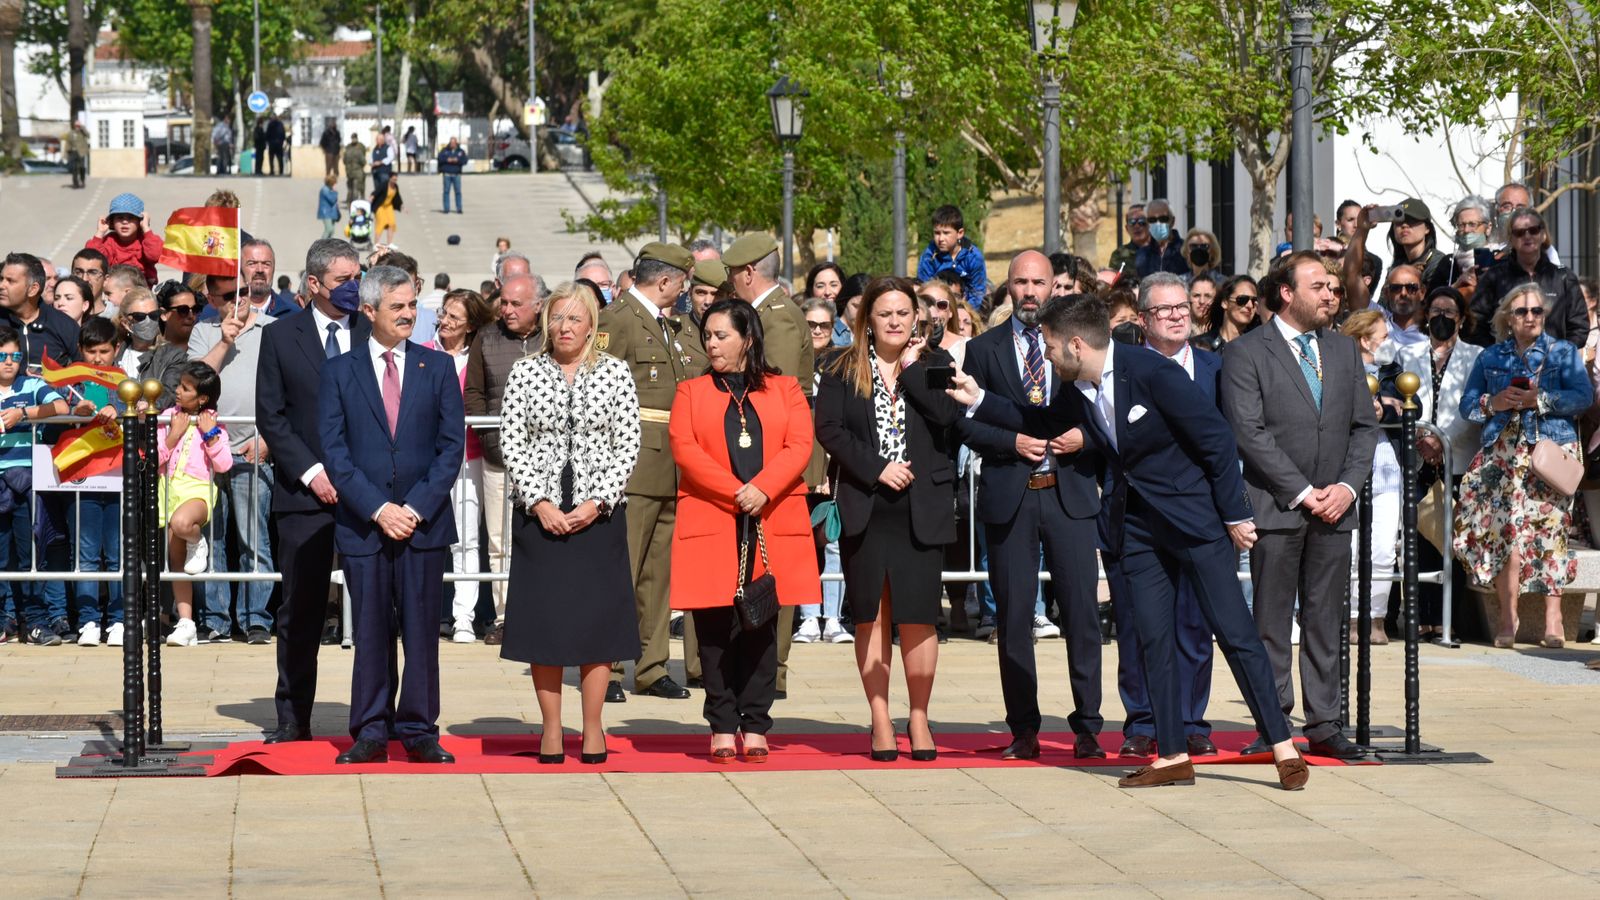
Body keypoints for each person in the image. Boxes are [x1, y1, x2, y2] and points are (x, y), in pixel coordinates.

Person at [949, 295, 1310, 790]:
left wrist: (1234, 514)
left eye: (1051, 346)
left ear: (1077, 344)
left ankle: (1282, 745)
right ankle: (1172, 755)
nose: (1046, 355)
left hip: (1194, 520)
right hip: (1136, 527)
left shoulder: (1154, 372)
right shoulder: (1077, 386)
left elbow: (1217, 441)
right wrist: (977, 398)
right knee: (1151, 641)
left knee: (1234, 632)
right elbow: (1041, 423)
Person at [1220, 251, 1379, 761]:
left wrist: (1347, 488)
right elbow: (1249, 433)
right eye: (1319, 286)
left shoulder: (1342, 350)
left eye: (1333, 288)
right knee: (1270, 621)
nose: (1331, 295)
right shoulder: (1247, 353)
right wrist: (1304, 491)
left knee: (1325, 618)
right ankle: (1274, 724)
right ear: (1287, 293)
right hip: (1278, 507)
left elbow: (1363, 428)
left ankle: (1326, 724)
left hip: (1336, 508)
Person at [955, 251, 1105, 761]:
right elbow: (967, 422)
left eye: (1039, 282)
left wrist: (1084, 438)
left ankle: (1087, 726)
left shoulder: (1078, 342)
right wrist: (1009, 442)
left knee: (1082, 615)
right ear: (1008, 288)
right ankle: (1024, 729)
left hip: (1070, 495)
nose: (1030, 291)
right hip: (1011, 496)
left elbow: (1102, 411)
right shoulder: (982, 349)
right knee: (1015, 618)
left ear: (1055, 287)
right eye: (1020, 282)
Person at [318, 265, 464, 765]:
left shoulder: (437, 366)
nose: (407, 315)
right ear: (370, 309)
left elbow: (451, 448)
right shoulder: (340, 371)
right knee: (372, 632)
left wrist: (415, 509)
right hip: (365, 523)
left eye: (411, 306)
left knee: (423, 630)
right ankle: (372, 730)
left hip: (424, 525)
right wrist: (379, 509)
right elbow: (335, 453)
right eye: (397, 306)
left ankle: (420, 728)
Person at [815, 277, 962, 761]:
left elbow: (946, 417)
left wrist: (916, 370)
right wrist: (878, 468)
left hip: (923, 505)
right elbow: (829, 429)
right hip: (868, 502)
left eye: (903, 312)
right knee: (869, 617)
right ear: (868, 321)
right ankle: (880, 717)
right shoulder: (840, 365)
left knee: (919, 617)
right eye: (885, 314)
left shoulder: (936, 364)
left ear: (916, 317)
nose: (895, 321)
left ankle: (918, 716)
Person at [668, 299, 820, 762]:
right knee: (713, 629)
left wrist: (764, 489)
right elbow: (684, 447)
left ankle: (755, 724)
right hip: (715, 516)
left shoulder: (785, 388)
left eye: (721, 336)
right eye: (708, 336)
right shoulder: (691, 392)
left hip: (769, 518)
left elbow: (799, 444)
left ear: (747, 338)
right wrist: (737, 491)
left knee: (762, 625)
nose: (711, 344)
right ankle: (721, 722)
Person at [498, 282, 641, 763]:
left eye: (575, 319)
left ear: (591, 326)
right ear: (545, 323)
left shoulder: (616, 373)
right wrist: (538, 502)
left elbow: (629, 443)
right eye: (557, 318)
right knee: (547, 626)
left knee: (596, 627)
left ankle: (594, 728)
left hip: (597, 517)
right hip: (540, 517)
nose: (565, 328)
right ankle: (552, 729)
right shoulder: (524, 372)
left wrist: (599, 502)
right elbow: (512, 441)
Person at [255, 239, 366, 742]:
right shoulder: (281, 337)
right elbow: (272, 417)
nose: (354, 286)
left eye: (357, 275)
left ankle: (374, 717)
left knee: (375, 609)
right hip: (304, 495)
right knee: (300, 608)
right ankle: (293, 715)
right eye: (343, 278)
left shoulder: (373, 330)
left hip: (368, 497)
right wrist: (311, 472)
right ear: (315, 283)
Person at [1108, 272, 1219, 757]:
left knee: (1196, 626)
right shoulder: (1122, 370)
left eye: (1182, 308)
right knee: (1138, 627)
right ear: (1142, 319)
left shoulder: (1217, 368)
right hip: (1136, 518)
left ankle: (1192, 721)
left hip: (1199, 518)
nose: (1177, 316)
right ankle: (1143, 723)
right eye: (1164, 310)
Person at [595, 243, 705, 702]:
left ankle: (651, 665)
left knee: (659, 573)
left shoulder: (677, 326)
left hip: (674, 461)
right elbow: (597, 391)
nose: (684, 292)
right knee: (622, 567)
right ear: (664, 281)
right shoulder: (616, 320)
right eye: (682, 283)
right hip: (634, 461)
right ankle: (607, 662)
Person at [1456, 284, 1593, 648]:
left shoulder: (1563, 352)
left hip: (1548, 451)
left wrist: (1541, 399)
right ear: (1507, 318)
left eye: (1537, 312)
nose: (1530, 317)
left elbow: (1583, 397)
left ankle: (1553, 620)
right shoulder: (1490, 357)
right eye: (1522, 312)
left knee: (1551, 533)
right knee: (1505, 536)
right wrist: (1493, 402)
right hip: (1502, 454)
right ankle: (1507, 617)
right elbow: (1467, 404)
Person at [721, 233, 819, 695]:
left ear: (747, 273)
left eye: (731, 276)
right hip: (765, 456)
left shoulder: (775, 318)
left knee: (774, 562)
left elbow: (769, 388)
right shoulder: (771, 311)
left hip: (775, 457)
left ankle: (773, 669)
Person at [190, 274, 276, 644]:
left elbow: (288, 390)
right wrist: (225, 340)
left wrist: (269, 439)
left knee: (253, 538)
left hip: (251, 449)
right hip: (207, 450)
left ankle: (256, 617)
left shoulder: (274, 330)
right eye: (227, 295)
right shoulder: (203, 330)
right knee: (211, 538)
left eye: (242, 292)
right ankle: (216, 619)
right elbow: (194, 383)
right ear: (210, 296)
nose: (238, 300)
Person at [465, 274, 543, 642]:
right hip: (499, 458)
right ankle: (503, 618)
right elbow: (475, 393)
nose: (507, 310)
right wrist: (490, 437)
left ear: (538, 305)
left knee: (544, 539)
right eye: (505, 303)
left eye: (517, 304)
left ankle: (542, 614)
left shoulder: (552, 336)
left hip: (547, 461)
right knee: (500, 541)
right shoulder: (487, 337)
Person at [423, 289, 496, 642]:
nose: (446, 321)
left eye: (455, 317)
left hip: (469, 458)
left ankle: (463, 616)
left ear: (470, 326)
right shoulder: (422, 351)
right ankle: (425, 612)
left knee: (466, 538)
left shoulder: (479, 358)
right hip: (429, 460)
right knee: (426, 535)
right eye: (444, 313)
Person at [0, 325, 70, 645]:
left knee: (30, 554)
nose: (9, 362)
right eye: (2, 356)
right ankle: (5, 620)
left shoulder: (31, 384)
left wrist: (23, 414)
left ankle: (36, 621)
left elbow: (61, 408)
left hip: (27, 481)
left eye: (15, 356)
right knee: (1, 556)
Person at [1338, 310, 1404, 645]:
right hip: (1347, 466)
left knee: (1382, 547)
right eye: (1384, 335)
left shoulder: (1394, 371)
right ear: (1365, 339)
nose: (1390, 342)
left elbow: (1412, 405)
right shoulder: (1339, 369)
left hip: (1386, 468)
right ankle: (1350, 618)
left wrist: (1386, 408)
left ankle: (1376, 617)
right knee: (1350, 546)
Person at [160, 362, 232, 646]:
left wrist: (210, 434)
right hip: (170, 490)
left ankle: (197, 539)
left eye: (185, 388)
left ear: (202, 398)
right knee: (176, 560)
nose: (177, 391)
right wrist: (173, 434)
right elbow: (155, 458)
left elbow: (224, 464)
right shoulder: (169, 417)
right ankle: (186, 622)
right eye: (179, 385)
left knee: (182, 524)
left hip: (198, 490)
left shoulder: (213, 422)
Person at [65, 318, 127, 646]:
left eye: (105, 351)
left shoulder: (124, 380)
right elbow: (58, 412)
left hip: (117, 476)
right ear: (81, 350)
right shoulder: (70, 382)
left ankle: (119, 619)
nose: (98, 358)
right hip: (83, 477)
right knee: (86, 552)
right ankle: (88, 620)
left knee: (118, 552)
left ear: (116, 349)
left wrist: (119, 408)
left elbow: (140, 406)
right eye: (92, 351)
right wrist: (76, 409)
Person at [1468, 207, 1587, 350]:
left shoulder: (1563, 277)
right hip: (1506, 366)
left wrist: (1559, 355)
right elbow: (1474, 324)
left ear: (1543, 234)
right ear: (1511, 238)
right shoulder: (1494, 277)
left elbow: (1579, 327)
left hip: (1555, 366)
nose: (1527, 236)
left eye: (1533, 230)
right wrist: (1496, 354)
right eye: (1519, 232)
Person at [916, 205, 988, 311]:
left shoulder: (973, 257)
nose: (940, 239)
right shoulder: (929, 257)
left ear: (960, 233)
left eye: (946, 233)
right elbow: (923, 290)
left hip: (966, 308)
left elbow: (977, 292)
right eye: (937, 233)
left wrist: (962, 312)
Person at [84, 193, 162, 286]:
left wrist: (146, 228)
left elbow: (155, 256)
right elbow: (92, 259)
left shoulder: (146, 240)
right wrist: (100, 232)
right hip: (114, 291)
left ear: (140, 221)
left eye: (131, 218)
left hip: (141, 292)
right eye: (120, 218)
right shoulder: (110, 240)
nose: (125, 222)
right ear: (112, 222)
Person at [1193, 275, 1259, 353]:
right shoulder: (1199, 346)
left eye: (1254, 301)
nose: (1250, 305)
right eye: (1242, 299)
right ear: (1225, 302)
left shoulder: (1258, 347)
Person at [689, 259, 726, 325]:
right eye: (701, 293)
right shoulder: (673, 332)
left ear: (729, 297)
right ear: (690, 293)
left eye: (716, 294)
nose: (708, 302)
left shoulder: (741, 329)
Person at [437, 137, 468, 214]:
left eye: (454, 143)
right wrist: (447, 160)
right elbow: (440, 158)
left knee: (458, 192)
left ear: (456, 143)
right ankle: (446, 208)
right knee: (446, 192)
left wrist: (457, 160)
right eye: (451, 143)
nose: (452, 144)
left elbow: (464, 160)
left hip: (456, 174)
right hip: (447, 174)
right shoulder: (445, 151)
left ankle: (459, 208)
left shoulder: (460, 151)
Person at [374, 176, 402, 246]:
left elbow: (398, 196)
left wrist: (402, 206)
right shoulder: (384, 185)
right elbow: (376, 192)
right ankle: (376, 244)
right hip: (380, 206)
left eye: (396, 179)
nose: (395, 181)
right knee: (381, 224)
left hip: (389, 206)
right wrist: (371, 197)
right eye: (393, 179)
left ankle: (390, 243)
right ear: (390, 178)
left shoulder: (395, 186)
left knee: (392, 223)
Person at [343, 133, 368, 205]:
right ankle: (356, 203)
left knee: (350, 188)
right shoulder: (359, 148)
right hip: (357, 172)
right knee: (357, 188)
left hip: (349, 172)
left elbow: (344, 161)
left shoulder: (348, 149)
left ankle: (349, 203)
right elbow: (363, 161)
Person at [65, 121, 89, 188]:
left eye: (78, 126)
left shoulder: (82, 132)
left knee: (82, 167)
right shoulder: (71, 133)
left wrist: (82, 128)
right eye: (76, 126)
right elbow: (68, 143)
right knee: (74, 168)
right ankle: (75, 184)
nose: (77, 127)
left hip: (81, 152)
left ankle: (82, 181)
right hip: (73, 152)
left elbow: (88, 135)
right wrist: (67, 152)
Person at [317, 174, 341, 239]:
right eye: (334, 183)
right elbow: (332, 200)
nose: (335, 184)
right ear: (331, 183)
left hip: (331, 213)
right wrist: (335, 192)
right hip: (326, 213)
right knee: (329, 229)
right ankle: (320, 245)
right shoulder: (325, 190)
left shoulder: (329, 189)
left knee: (332, 231)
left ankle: (329, 245)